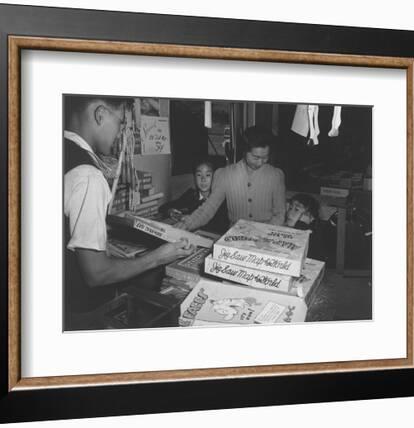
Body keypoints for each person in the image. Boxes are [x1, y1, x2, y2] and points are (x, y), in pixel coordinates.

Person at [63, 96, 195, 314]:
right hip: (77, 310)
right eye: (121, 123)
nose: (120, 134)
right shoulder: (88, 177)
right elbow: (96, 274)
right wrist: (158, 257)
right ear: (100, 115)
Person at [176, 126, 286, 231]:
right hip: (235, 237)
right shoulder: (224, 174)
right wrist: (187, 224)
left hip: (266, 236)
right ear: (244, 151)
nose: (260, 162)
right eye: (255, 157)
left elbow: (280, 214)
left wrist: (262, 232)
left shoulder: (276, 175)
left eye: (265, 157)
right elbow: (208, 209)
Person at [158, 160, 229, 233]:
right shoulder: (191, 195)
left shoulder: (220, 199)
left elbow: (220, 226)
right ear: (194, 178)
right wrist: (172, 212)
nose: (203, 179)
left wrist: (189, 219)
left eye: (208, 175)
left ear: (215, 178)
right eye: (199, 175)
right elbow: (163, 207)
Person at [285, 193, 333, 262]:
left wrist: (302, 224)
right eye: (290, 208)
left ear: (309, 216)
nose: (289, 213)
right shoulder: (289, 228)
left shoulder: (313, 234)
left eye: (296, 210)